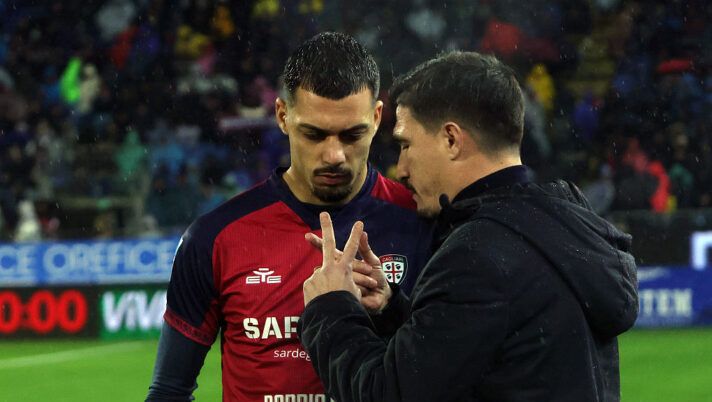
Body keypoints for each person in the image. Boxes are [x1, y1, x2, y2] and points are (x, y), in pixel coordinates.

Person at [299, 51, 639, 402]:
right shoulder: (564, 222)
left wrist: (332, 308)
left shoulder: (478, 255)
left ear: (451, 139)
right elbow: (482, 355)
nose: (400, 168)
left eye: (405, 144)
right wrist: (391, 311)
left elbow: (386, 394)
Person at [145, 32, 432, 401]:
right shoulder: (214, 238)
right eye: (314, 134)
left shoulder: (423, 221)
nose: (334, 155)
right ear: (282, 115)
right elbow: (169, 390)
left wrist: (392, 310)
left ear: (377, 118)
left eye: (352, 135)